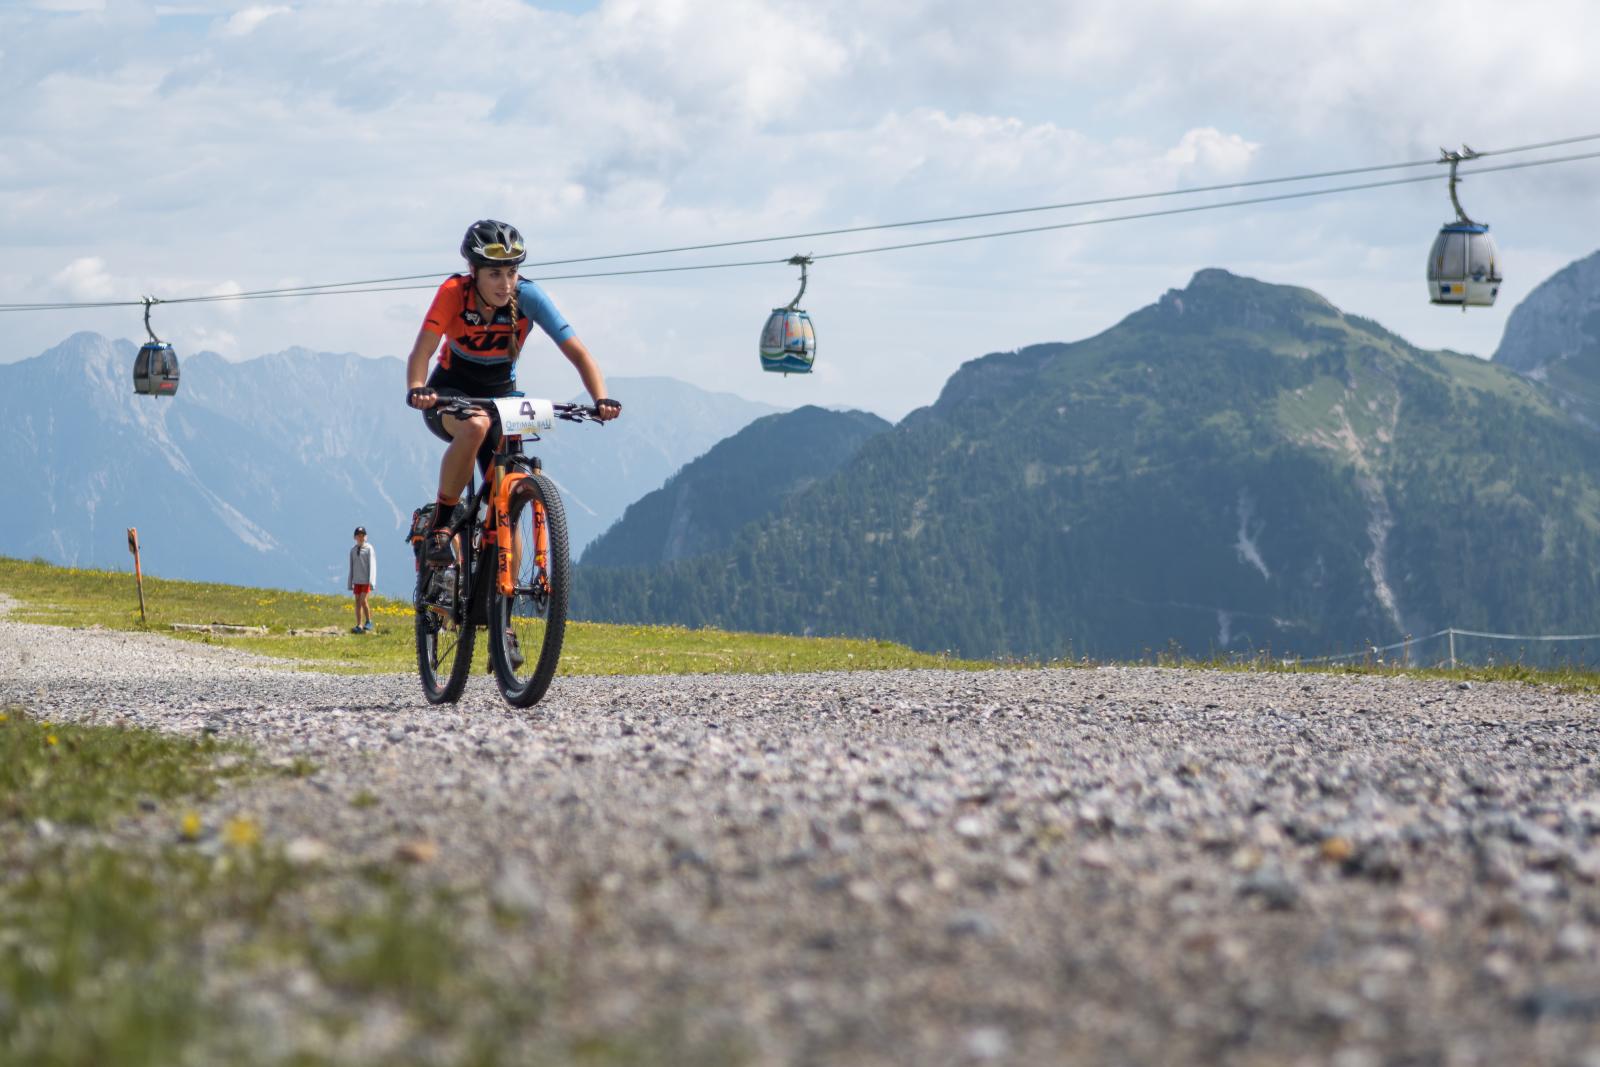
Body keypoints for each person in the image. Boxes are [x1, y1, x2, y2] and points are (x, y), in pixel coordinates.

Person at [405, 220, 621, 571]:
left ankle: (502, 606)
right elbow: (422, 351)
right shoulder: (452, 294)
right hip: (449, 393)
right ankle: (442, 525)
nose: (505, 284)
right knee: (475, 426)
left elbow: (579, 353)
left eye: (511, 272)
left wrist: (601, 399)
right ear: (473, 272)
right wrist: (418, 388)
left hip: (502, 397)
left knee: (507, 493)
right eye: (494, 274)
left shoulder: (529, 296)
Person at [347, 526, 376, 633]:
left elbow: (372, 565)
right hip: (357, 580)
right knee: (357, 602)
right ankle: (359, 624)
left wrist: (372, 581)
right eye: (359, 536)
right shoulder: (353, 550)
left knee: (363, 600)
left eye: (362, 536)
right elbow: (351, 567)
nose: (361, 537)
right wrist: (350, 582)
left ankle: (369, 621)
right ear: (355, 537)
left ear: (365, 537)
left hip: (366, 580)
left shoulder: (369, 548)